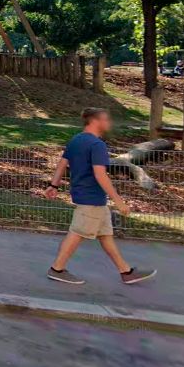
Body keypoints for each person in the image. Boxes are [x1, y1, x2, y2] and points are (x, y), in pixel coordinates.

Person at [43, 108, 156, 285]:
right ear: (95, 121)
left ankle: (126, 272)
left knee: (105, 236)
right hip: (91, 198)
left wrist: (53, 185)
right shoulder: (97, 145)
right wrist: (119, 202)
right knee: (76, 233)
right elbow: (100, 175)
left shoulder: (76, 140)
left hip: (89, 197)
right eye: (106, 119)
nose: (108, 123)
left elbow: (62, 163)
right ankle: (57, 269)